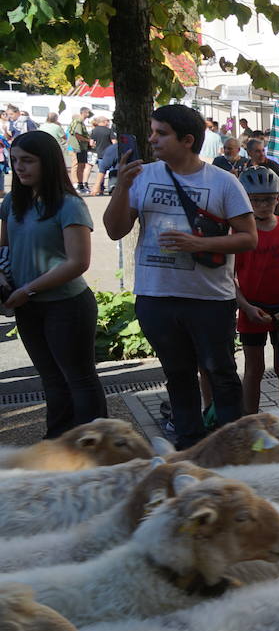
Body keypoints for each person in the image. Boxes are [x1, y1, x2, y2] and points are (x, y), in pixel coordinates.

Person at [103, 104, 256, 449]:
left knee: (221, 374)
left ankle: (235, 447)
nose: (152, 139)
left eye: (161, 133)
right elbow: (114, 230)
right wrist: (122, 187)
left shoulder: (222, 181)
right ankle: (190, 446)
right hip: (156, 296)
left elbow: (248, 237)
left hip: (209, 299)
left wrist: (196, 242)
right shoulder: (142, 175)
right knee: (178, 375)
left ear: (187, 141)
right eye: (152, 131)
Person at [0, 130, 105, 436]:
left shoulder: (69, 205)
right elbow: (3, 247)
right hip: (27, 304)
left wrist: (27, 289)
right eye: (15, 160)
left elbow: (78, 262)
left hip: (67, 305)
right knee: (50, 378)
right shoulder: (12, 201)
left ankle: (95, 447)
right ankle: (58, 445)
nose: (19, 167)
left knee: (79, 379)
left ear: (48, 162)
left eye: (28, 161)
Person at [233, 166, 279, 413]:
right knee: (254, 369)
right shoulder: (239, 233)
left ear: (278, 197)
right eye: (257, 200)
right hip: (253, 310)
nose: (263, 205)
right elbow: (229, 278)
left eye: (270, 198)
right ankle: (249, 421)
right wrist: (246, 307)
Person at [68, 108, 92, 195]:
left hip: (79, 147)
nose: (89, 114)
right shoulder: (78, 122)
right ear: (84, 113)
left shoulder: (79, 122)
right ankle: (78, 185)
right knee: (79, 166)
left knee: (80, 166)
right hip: (78, 147)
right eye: (88, 113)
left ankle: (79, 184)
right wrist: (88, 140)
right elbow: (77, 135)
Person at [89, 115, 114, 193]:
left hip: (100, 153)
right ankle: (112, 187)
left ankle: (101, 188)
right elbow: (114, 142)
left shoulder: (94, 130)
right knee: (112, 171)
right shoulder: (109, 131)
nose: (108, 122)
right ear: (104, 122)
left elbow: (91, 143)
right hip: (109, 154)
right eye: (107, 121)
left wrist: (96, 146)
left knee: (101, 171)